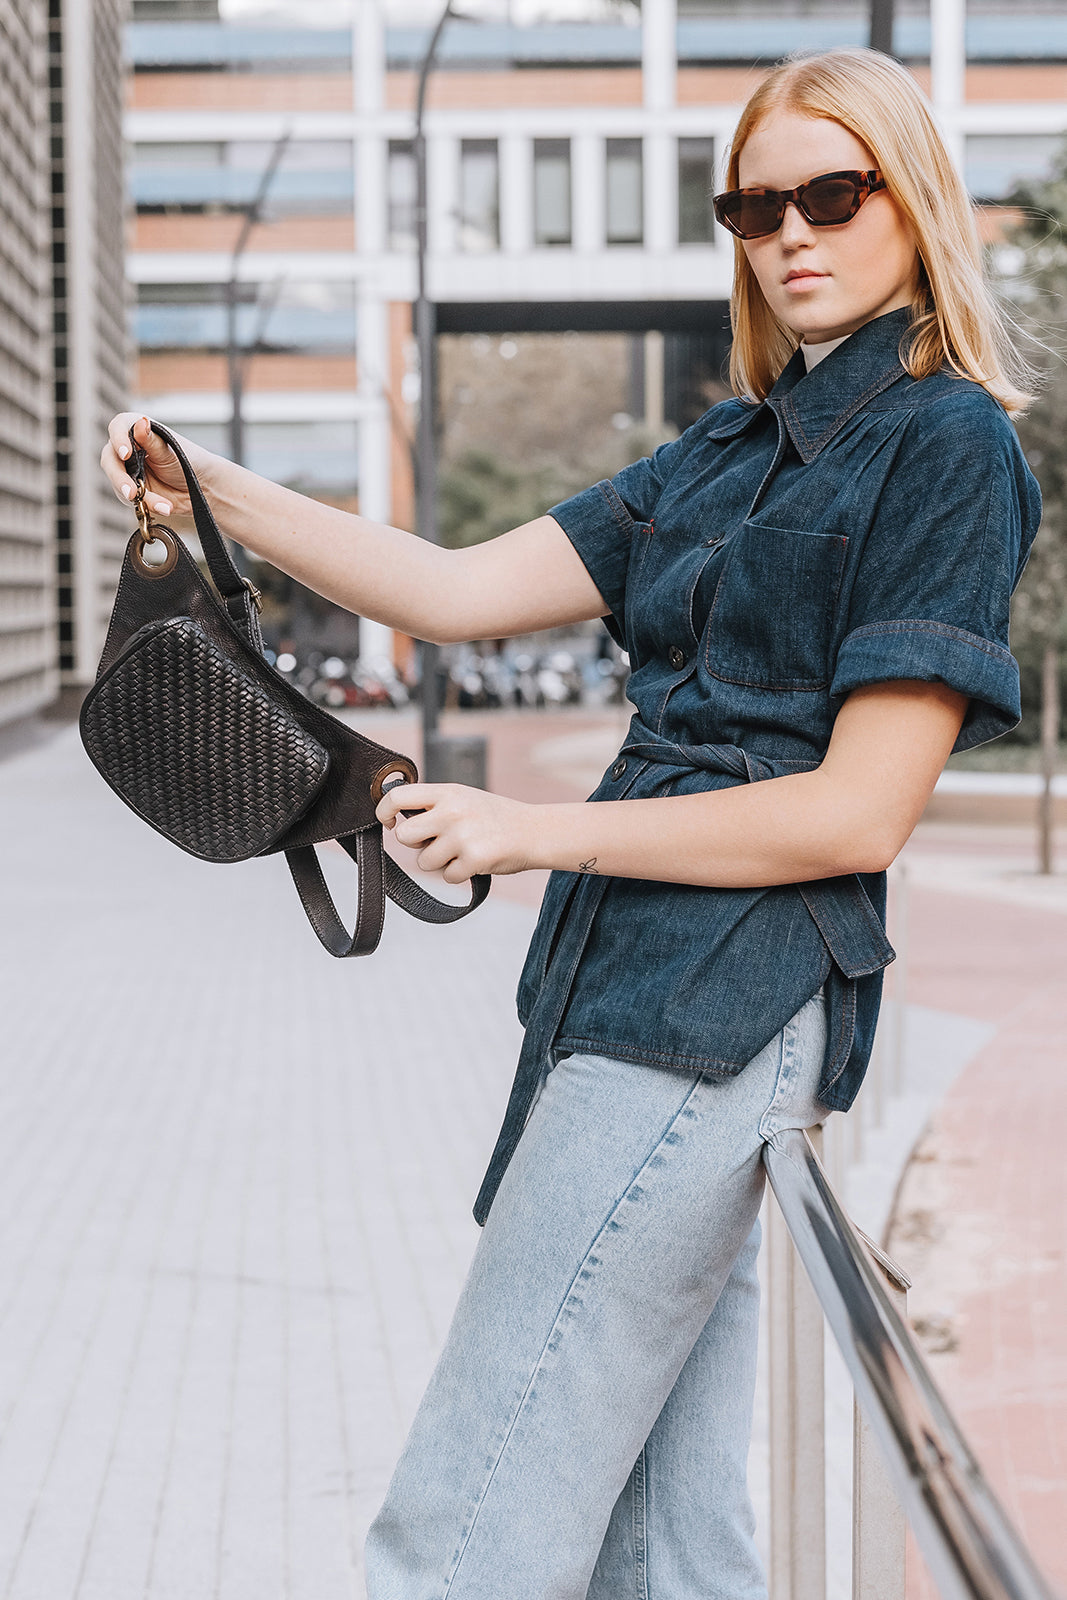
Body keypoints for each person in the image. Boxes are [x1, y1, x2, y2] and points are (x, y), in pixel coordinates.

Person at [101, 47, 1040, 1600]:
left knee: (460, 1533)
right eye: (754, 207)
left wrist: (535, 834)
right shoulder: (723, 453)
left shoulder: (947, 446)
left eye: (833, 194)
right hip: (617, 990)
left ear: (914, 201)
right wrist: (210, 487)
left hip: (720, 1004)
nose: (791, 234)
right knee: (666, 1549)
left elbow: (859, 813)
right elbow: (455, 587)